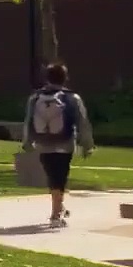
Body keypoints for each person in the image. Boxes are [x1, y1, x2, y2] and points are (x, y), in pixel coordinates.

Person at [22, 62, 94, 228]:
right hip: (65, 143)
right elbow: (82, 122)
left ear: (47, 78)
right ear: (65, 78)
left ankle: (59, 207)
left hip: (43, 143)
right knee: (59, 177)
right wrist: (87, 144)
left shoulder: (35, 98)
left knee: (52, 176)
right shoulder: (72, 98)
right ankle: (55, 215)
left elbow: (28, 121)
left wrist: (27, 141)